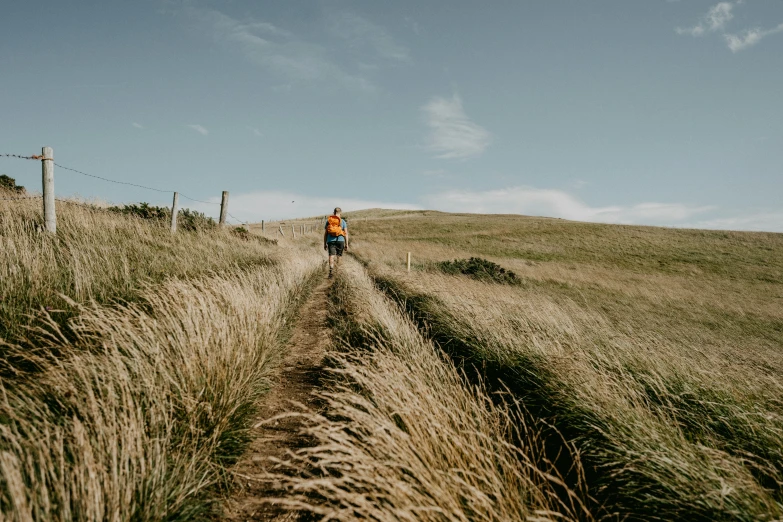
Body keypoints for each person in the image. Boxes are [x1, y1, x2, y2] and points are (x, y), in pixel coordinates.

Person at [324, 207, 348, 278]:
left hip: (331, 241)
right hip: (340, 240)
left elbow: (325, 234)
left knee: (331, 256)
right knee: (339, 256)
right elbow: (346, 233)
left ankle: (331, 272)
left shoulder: (329, 221)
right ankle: (338, 272)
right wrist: (346, 244)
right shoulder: (343, 221)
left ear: (333, 212)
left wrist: (324, 243)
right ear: (340, 213)